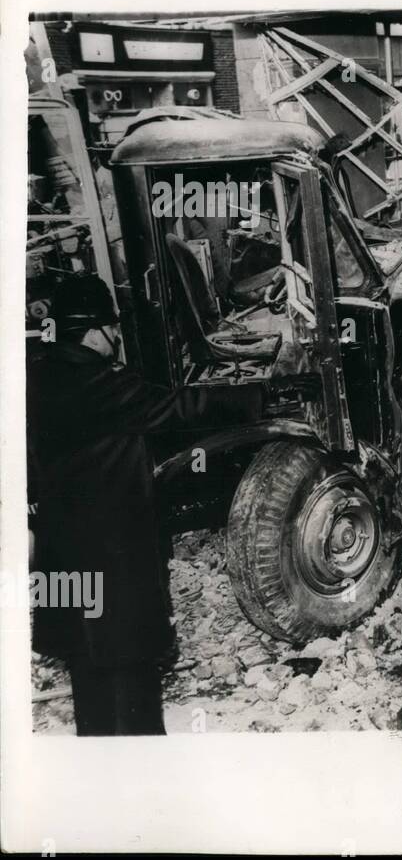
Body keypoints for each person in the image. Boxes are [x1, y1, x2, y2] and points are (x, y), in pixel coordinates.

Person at [27, 275, 262, 735]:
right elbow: (177, 407)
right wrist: (260, 394)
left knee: (89, 682)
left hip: (66, 560)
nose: (116, 336)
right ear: (91, 330)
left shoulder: (38, 375)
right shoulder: (95, 384)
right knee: (133, 684)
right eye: (111, 327)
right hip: (111, 561)